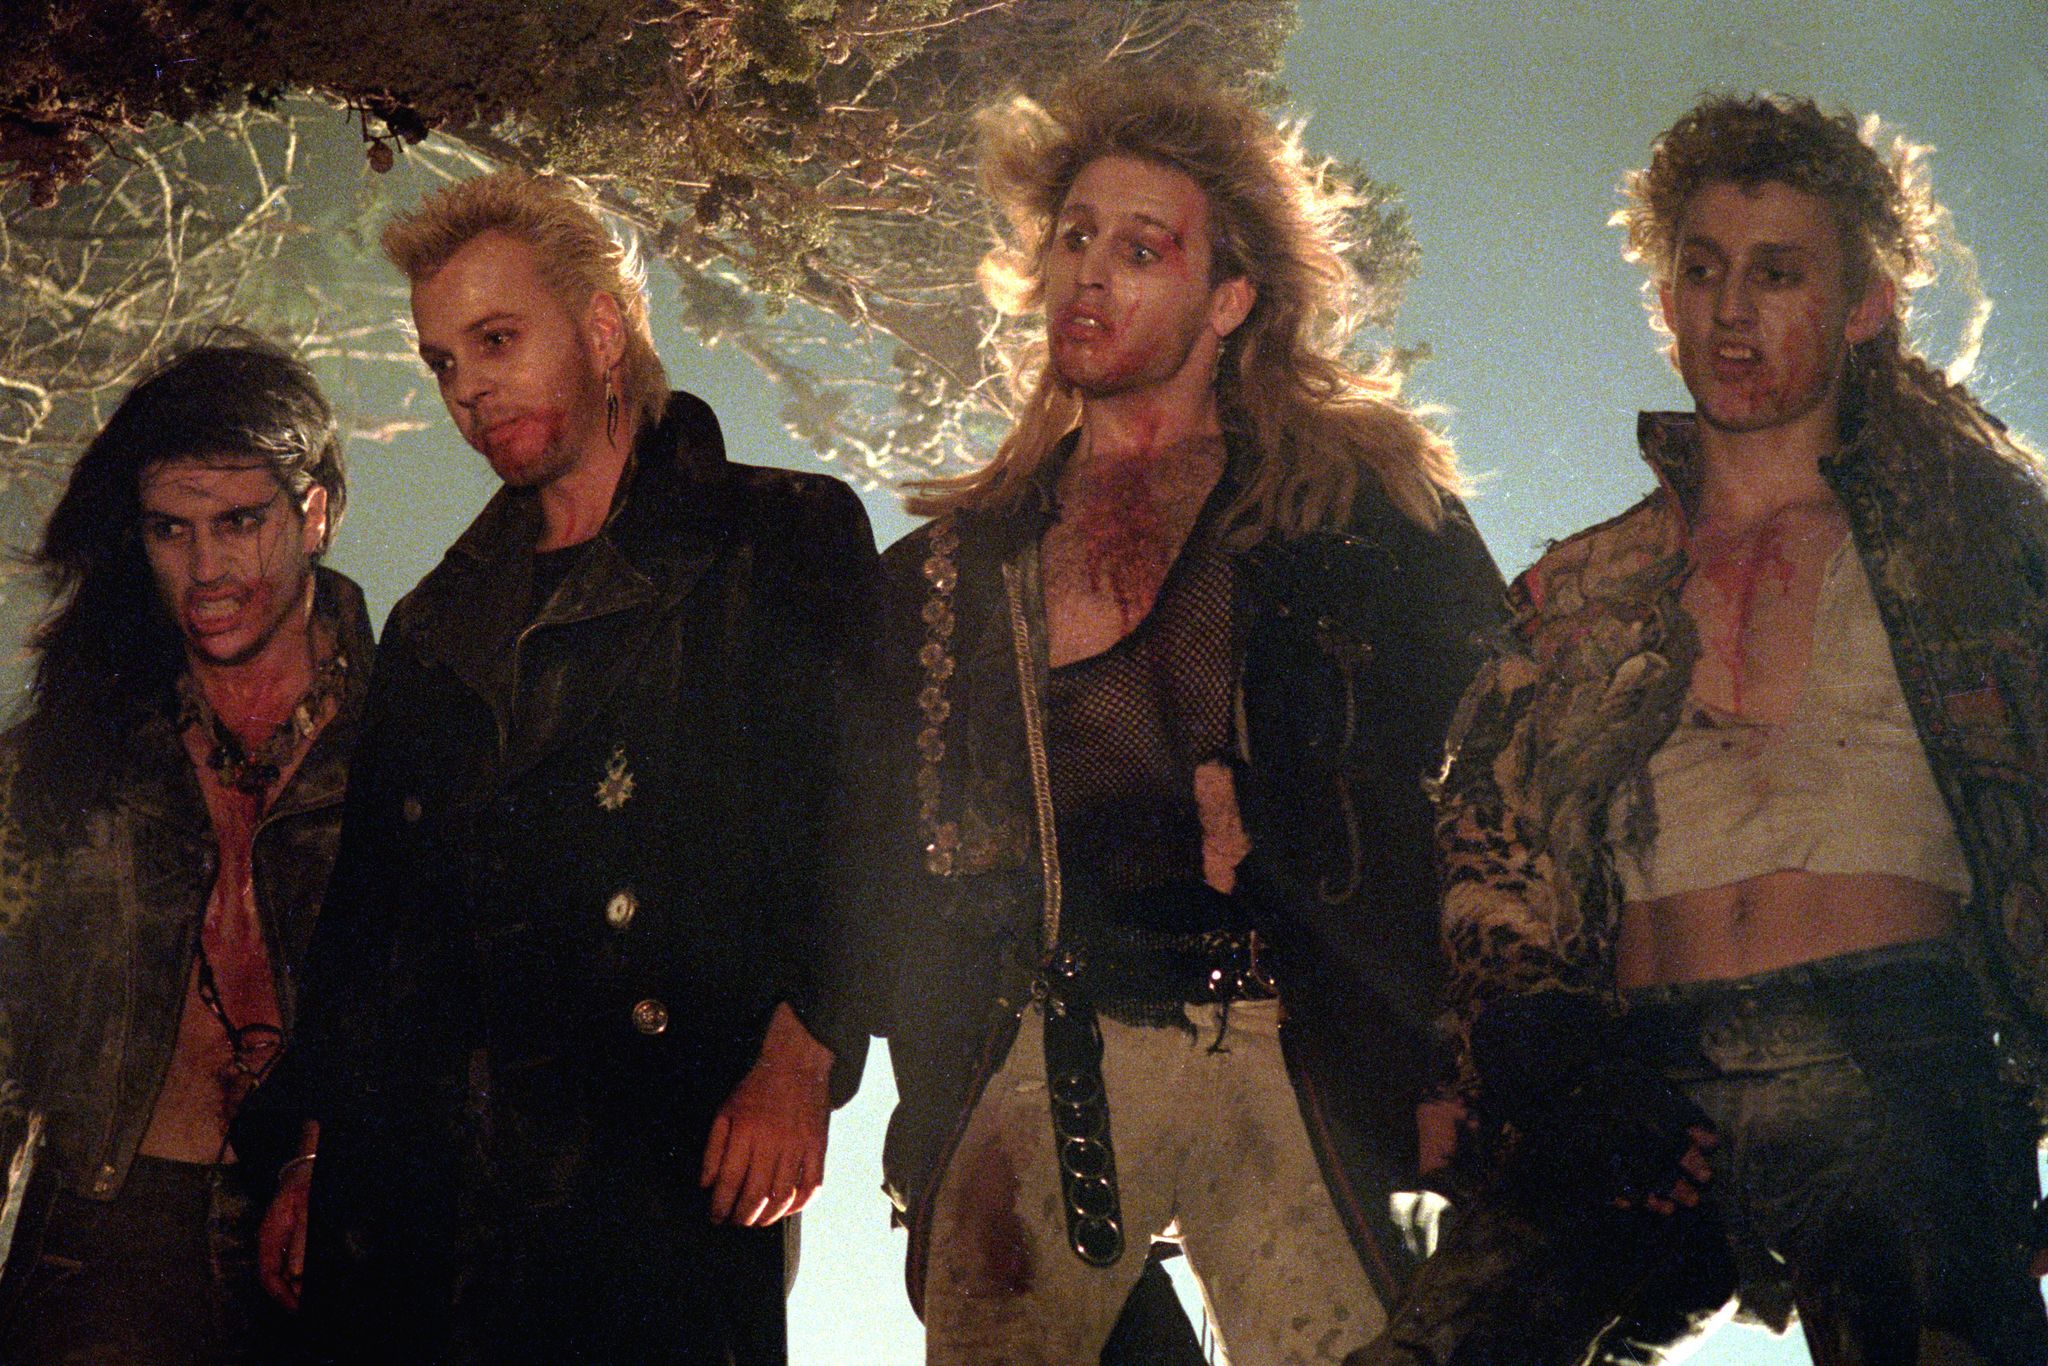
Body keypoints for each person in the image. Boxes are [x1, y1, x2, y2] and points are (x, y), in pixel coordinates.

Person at [1363, 94, 2048, 1365]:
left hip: (1893, 1047)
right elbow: (1487, 848)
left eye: (1776, 273)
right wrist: (1545, 1058)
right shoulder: (1578, 589)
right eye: (1700, 270)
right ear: (1665, 297)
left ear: (1862, 305)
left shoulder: (1977, 551)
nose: (1730, 310)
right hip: (1637, 1076)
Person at [831, 70, 1504, 1364]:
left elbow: (1501, 770)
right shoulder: (952, 570)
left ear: (1230, 298)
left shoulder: (1357, 511)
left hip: (1300, 1039)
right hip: (1055, 1035)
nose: (1089, 273)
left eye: (1142, 249)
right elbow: (880, 864)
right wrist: (926, 1106)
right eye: (1073, 237)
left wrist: (1463, 1052)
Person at [256, 169, 877, 1363]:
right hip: (420, 1179)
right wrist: (313, 1149)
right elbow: (372, 916)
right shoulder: (434, 619)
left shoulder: (782, 536)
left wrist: (804, 1056)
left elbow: (865, 823)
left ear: (601, 332)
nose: (467, 387)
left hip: (658, 1142)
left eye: (497, 340)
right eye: (442, 361)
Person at [0, 341, 369, 1364]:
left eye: (239, 522)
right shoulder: (69, 756)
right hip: (103, 1242)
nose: (206, 572)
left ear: (315, 513)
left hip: (347, 1234)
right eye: (171, 529)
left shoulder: (413, 745)